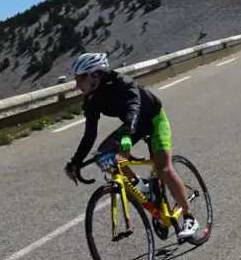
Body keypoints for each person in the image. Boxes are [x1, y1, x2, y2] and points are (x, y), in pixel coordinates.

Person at [63, 52, 199, 240]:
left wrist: (127, 136)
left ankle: (189, 217)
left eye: (80, 78)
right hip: (132, 125)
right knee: (103, 155)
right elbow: (90, 134)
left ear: (95, 74)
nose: (77, 84)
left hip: (153, 120)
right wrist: (75, 161)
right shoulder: (92, 99)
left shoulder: (123, 84)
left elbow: (133, 109)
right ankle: (140, 186)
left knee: (164, 168)